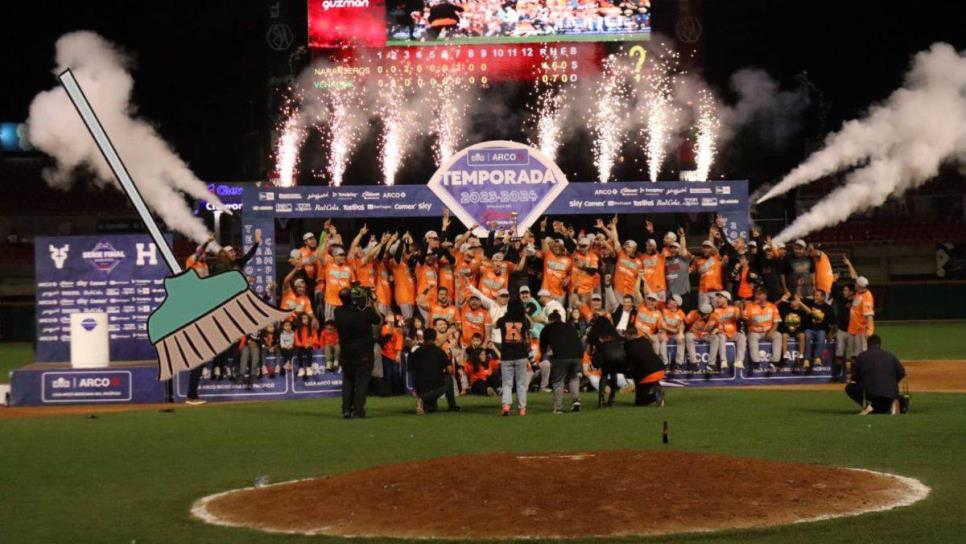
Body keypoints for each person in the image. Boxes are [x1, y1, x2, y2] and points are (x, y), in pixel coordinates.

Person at [334, 287, 382, 419]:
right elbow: (378, 320)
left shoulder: (337, 312)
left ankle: (346, 410)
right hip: (364, 353)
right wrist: (374, 305)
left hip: (346, 353)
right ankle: (358, 410)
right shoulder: (365, 312)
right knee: (362, 382)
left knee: (348, 381)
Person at [846, 335, 906, 415]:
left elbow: (855, 378)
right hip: (891, 392)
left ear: (868, 344)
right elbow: (902, 373)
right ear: (880, 344)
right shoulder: (890, 355)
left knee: (850, 387)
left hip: (871, 393)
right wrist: (892, 382)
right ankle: (893, 403)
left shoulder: (862, 356)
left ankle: (867, 407)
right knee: (880, 407)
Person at [539, 309, 584, 414]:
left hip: (561, 356)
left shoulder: (547, 328)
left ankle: (558, 407)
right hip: (578, 355)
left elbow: (543, 347)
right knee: (574, 377)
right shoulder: (570, 326)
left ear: (550, 320)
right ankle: (576, 401)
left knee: (558, 381)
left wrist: (546, 356)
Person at [409, 329, 460, 414]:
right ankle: (452, 405)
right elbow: (450, 370)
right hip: (435, 386)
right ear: (435, 338)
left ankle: (424, 402)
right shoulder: (440, 352)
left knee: (432, 409)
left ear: (424, 337)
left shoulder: (417, 352)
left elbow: (412, 369)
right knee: (449, 378)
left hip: (420, 387)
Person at [495, 299, 532, 416]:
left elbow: (494, 325)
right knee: (521, 383)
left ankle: (506, 406)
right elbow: (532, 325)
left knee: (507, 383)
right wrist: (525, 313)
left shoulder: (502, 320)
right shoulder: (523, 320)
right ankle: (522, 409)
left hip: (507, 355)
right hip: (521, 355)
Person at [587, 315, 626, 407]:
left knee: (604, 375)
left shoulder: (594, 334)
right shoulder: (612, 332)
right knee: (613, 375)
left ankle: (601, 399)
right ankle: (612, 399)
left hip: (605, 356)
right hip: (618, 356)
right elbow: (621, 341)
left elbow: (589, 350)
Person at [624, 325, 666, 407]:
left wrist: (627, 373)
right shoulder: (645, 340)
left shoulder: (629, 345)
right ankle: (657, 387)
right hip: (660, 369)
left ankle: (656, 396)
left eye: (625, 334)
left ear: (628, 335)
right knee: (644, 374)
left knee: (640, 402)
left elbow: (631, 362)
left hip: (648, 374)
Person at [744, 287, 783, 371]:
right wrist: (750, 321)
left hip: (768, 331)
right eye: (756, 294)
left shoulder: (772, 306)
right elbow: (745, 322)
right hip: (755, 331)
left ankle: (775, 362)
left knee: (778, 335)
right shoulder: (749, 306)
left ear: (765, 295)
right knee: (752, 337)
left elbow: (776, 322)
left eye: (759, 294)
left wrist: (771, 332)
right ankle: (756, 362)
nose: (757, 296)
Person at [709, 290, 747, 371]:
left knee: (742, 337)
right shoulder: (714, 310)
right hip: (722, 333)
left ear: (727, 299)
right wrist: (717, 329)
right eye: (717, 298)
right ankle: (723, 361)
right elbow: (711, 324)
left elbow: (738, 318)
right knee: (721, 336)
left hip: (733, 333)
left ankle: (739, 361)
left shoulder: (734, 309)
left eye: (720, 297)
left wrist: (740, 307)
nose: (717, 299)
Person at [801, 290, 834, 369]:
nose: (815, 297)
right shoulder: (809, 303)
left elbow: (833, 322)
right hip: (809, 328)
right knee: (807, 336)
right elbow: (799, 300)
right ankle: (807, 359)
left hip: (821, 329)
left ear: (823, 297)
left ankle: (817, 358)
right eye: (815, 295)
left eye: (817, 295)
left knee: (822, 337)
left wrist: (831, 333)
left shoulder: (828, 308)